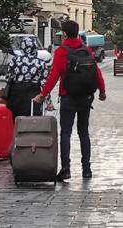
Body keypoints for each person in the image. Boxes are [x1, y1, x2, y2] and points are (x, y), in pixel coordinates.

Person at [33, 20, 107, 181]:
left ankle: (66, 169)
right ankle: (86, 169)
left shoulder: (62, 51)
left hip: (68, 97)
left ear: (65, 33)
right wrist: (102, 91)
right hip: (85, 98)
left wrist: (43, 94)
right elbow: (97, 72)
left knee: (66, 132)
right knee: (83, 132)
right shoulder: (85, 49)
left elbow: (54, 76)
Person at [5, 37, 49, 121]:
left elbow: (8, 77)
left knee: (17, 120)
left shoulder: (14, 61)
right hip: (33, 94)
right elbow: (44, 83)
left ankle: (18, 133)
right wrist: (48, 102)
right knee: (33, 120)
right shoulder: (41, 63)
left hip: (17, 94)